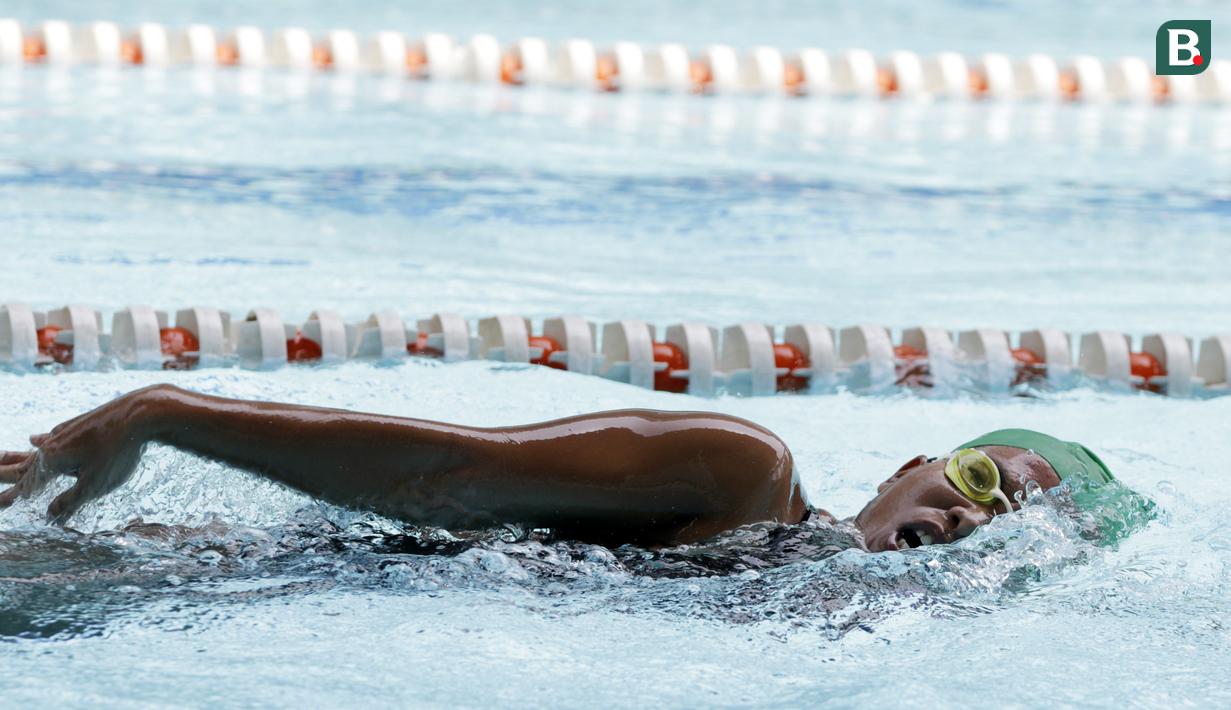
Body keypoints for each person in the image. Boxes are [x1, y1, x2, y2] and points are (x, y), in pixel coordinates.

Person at [0, 384, 1123, 552]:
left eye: (1010, 524)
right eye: (981, 484)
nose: (975, 522)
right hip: (199, 583)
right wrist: (164, 413)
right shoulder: (741, 475)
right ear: (911, 463)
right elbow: (446, 475)